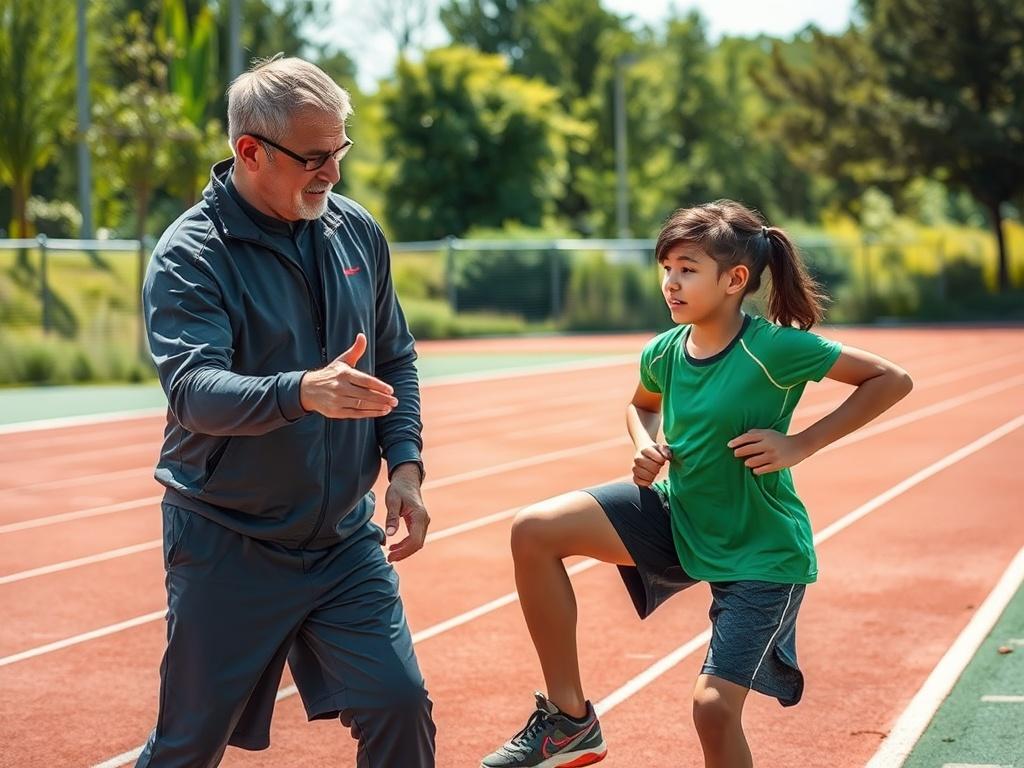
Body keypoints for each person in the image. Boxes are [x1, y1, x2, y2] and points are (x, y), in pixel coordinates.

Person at [481, 200, 914, 768]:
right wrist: (643, 444)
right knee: (533, 530)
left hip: (761, 553)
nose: (671, 282)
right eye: (666, 268)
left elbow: (891, 379)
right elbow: (641, 406)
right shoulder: (663, 351)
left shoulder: (775, 349)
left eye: (687, 268)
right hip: (680, 516)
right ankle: (569, 722)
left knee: (712, 708)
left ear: (735, 280)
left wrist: (800, 444)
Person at [137, 54, 435, 768]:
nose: (332, 172)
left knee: (399, 705)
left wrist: (407, 468)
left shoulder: (355, 232)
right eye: (314, 157)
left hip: (341, 542)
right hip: (228, 543)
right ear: (249, 151)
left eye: (340, 151)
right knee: (187, 746)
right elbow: (194, 390)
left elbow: (394, 358)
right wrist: (300, 390)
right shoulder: (190, 256)